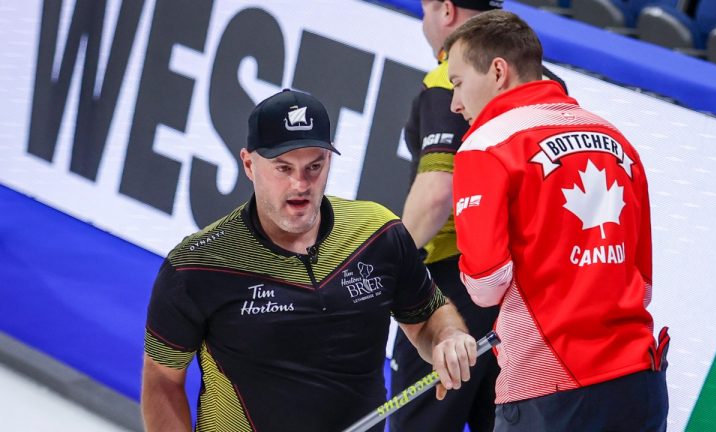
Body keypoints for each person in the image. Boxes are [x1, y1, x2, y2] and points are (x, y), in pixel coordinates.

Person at [140, 89, 478, 432]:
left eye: (314, 166)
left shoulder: (377, 234)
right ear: (248, 164)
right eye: (283, 168)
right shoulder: (196, 266)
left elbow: (426, 318)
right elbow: (163, 380)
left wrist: (448, 337)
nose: (300, 184)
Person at [445, 10, 669, 431]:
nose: (455, 104)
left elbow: (486, 285)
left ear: (497, 71)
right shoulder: (615, 137)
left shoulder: (485, 145)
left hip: (550, 388)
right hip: (640, 380)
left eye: (457, 83)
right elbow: (643, 283)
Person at [391, 1, 567, 431]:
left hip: (455, 287)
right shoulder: (549, 83)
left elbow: (437, 194)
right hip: (527, 300)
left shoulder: (442, 82)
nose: (456, 101)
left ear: (446, 10)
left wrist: (386, 266)